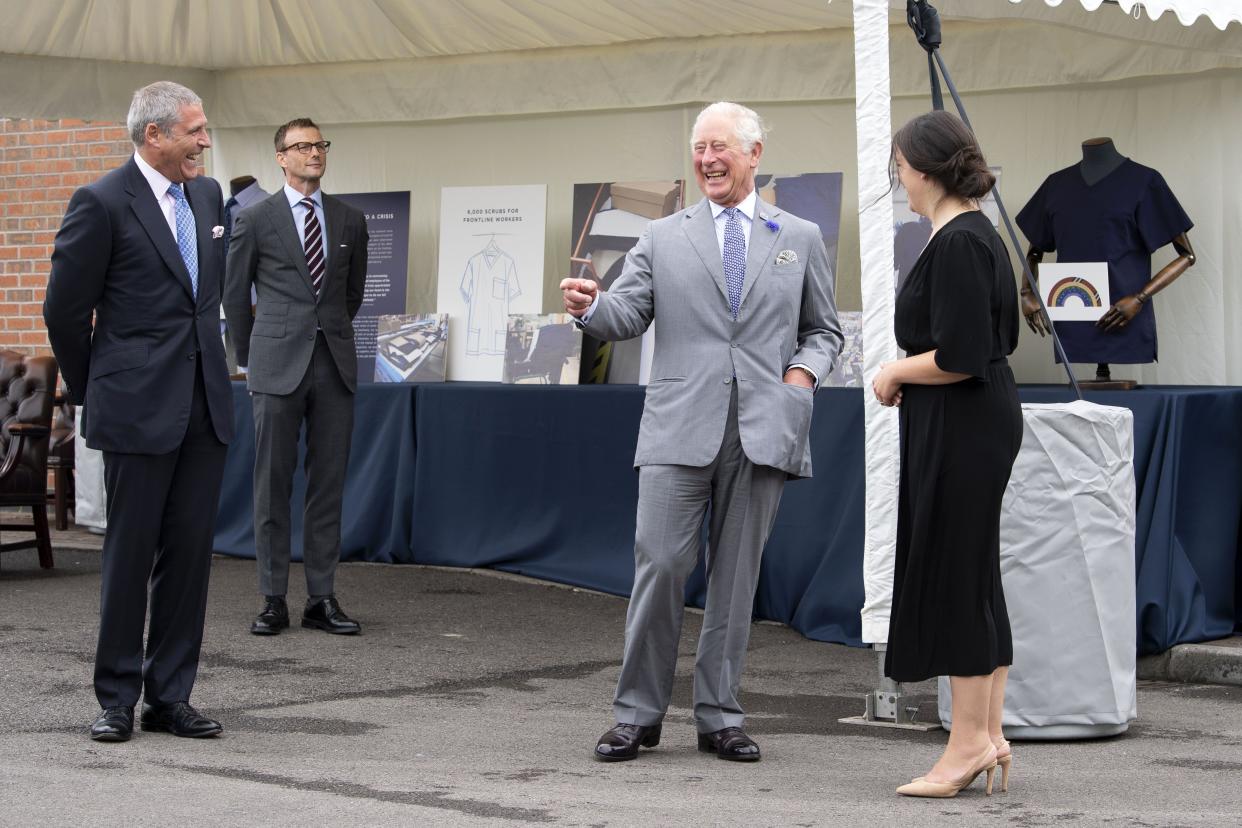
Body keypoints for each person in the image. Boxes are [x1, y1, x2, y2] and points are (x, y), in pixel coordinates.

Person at [561, 101, 842, 763]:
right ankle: (637, 715)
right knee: (659, 566)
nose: (708, 160)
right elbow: (626, 313)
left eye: (721, 147)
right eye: (699, 149)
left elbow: (824, 330)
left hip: (762, 428)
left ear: (754, 154)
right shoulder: (664, 236)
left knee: (736, 580)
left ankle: (719, 717)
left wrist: (801, 375)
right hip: (678, 426)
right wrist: (592, 307)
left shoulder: (797, 236)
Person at [44, 81, 234, 742]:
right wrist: (96, 389)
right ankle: (117, 697)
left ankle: (171, 695)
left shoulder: (208, 198)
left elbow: (203, 300)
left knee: (188, 560)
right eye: (195, 130)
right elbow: (64, 313)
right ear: (154, 135)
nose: (205, 142)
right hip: (135, 409)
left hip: (205, 407)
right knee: (128, 558)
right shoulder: (99, 203)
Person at [872, 110, 1022, 797]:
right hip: (974, 419)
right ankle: (986, 736)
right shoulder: (975, 234)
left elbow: (962, 356)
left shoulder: (960, 241)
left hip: (964, 421)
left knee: (962, 578)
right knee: (976, 574)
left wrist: (895, 372)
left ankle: (964, 747)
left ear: (926, 170)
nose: (898, 180)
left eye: (900, 167)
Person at [224, 118, 369, 637]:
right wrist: (250, 356)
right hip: (274, 364)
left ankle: (322, 598)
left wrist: (325, 332)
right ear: (281, 158)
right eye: (303, 146)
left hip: (334, 363)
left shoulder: (350, 220)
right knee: (271, 485)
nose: (314, 153)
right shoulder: (257, 219)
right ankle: (272, 598)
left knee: (327, 485)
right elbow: (235, 295)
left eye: (320, 145)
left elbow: (351, 295)